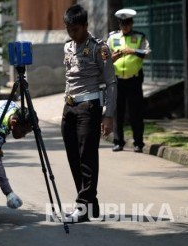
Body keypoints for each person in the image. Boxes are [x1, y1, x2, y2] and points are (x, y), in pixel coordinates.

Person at [62, 4, 117, 223]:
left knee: (87, 157)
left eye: (75, 29)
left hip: (89, 107)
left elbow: (111, 82)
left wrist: (109, 114)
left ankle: (82, 207)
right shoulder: (67, 47)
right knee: (73, 156)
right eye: (68, 29)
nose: (71, 34)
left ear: (85, 26)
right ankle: (90, 204)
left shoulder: (98, 48)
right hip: (69, 107)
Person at [107, 9, 151, 153]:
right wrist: (113, 56)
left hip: (134, 80)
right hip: (117, 80)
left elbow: (147, 53)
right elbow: (104, 55)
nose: (125, 26)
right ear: (119, 24)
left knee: (136, 112)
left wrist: (133, 51)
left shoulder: (140, 37)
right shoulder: (112, 38)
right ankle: (118, 142)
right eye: (122, 24)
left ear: (131, 23)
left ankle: (138, 143)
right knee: (117, 112)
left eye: (127, 23)